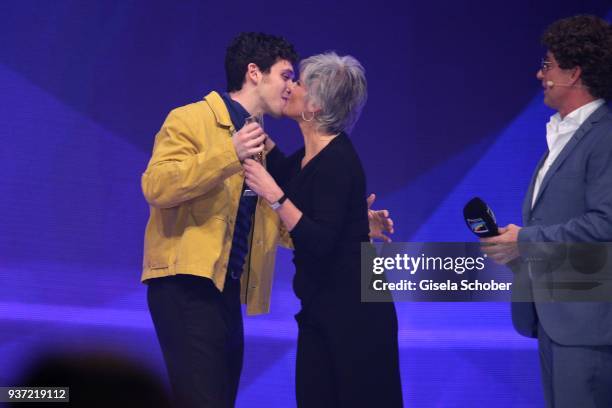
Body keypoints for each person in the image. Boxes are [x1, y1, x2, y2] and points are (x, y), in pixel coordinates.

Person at [141, 33, 393, 407]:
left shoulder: (273, 147)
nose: (291, 88)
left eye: (297, 81)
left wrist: (350, 225)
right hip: (186, 282)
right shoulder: (192, 119)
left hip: (233, 291)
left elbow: (296, 223)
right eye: (287, 76)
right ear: (254, 73)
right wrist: (230, 152)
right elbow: (156, 186)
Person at [243, 52, 403, 407]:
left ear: (314, 106)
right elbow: (291, 173)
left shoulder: (338, 161)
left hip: (356, 318)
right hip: (322, 309)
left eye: (298, 83)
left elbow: (320, 241)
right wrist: (255, 127)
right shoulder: (311, 154)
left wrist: (274, 196)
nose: (290, 87)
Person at [481, 15, 612, 408]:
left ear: (573, 73)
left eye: (547, 65)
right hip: (557, 318)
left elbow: (606, 222)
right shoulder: (564, 133)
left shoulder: (605, 136)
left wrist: (526, 240)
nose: (540, 75)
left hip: (588, 324)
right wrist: (519, 240)